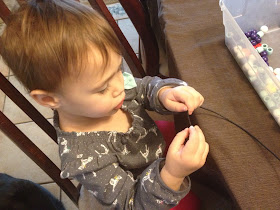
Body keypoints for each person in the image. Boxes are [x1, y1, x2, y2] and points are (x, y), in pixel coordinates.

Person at [0, 0, 209, 209]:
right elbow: (132, 204)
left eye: (118, 69)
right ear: (49, 99)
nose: (119, 86)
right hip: (146, 195)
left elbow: (142, 88)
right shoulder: (84, 158)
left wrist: (164, 92)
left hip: (156, 150)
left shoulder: (110, 84)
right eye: (101, 88)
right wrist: (172, 174)